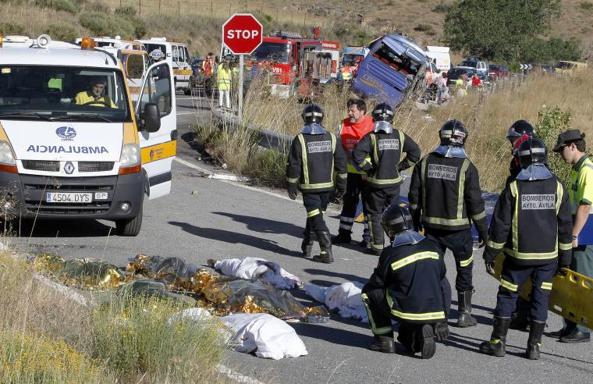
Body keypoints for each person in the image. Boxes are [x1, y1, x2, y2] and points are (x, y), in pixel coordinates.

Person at [480, 138, 572, 359]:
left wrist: (490, 253)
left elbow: (500, 226)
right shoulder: (557, 186)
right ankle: (534, 347)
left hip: (517, 258)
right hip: (548, 259)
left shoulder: (513, 186)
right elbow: (565, 226)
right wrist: (565, 260)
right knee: (540, 298)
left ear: (521, 160)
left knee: (507, 296)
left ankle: (498, 342)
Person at [408, 119, 488, 327]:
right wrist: (484, 232)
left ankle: (434, 311)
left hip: (432, 229)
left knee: (434, 270)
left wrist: (415, 221)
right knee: (464, 269)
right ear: (463, 139)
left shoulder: (425, 162)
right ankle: (464, 313)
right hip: (459, 231)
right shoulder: (467, 167)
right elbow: (476, 204)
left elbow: (414, 198)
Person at [361, 204, 451, 359]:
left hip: (406, 309)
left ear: (390, 229)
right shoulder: (433, 245)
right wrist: (443, 319)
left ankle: (384, 340)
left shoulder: (391, 252)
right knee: (442, 281)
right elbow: (443, 282)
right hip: (435, 310)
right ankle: (423, 329)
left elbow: (377, 283)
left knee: (368, 293)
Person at [352, 103, 421, 255]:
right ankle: (396, 245)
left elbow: (357, 155)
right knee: (394, 215)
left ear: (374, 118)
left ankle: (377, 246)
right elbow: (415, 152)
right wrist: (401, 166)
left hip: (375, 184)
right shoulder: (400, 135)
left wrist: (369, 168)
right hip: (394, 184)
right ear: (392, 118)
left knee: (374, 215)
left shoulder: (371, 137)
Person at [286, 104, 347, 264]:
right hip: (327, 188)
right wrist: (342, 186)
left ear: (304, 118)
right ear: (321, 118)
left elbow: (293, 166)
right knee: (315, 216)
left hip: (310, 189)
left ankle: (326, 250)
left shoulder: (300, 139)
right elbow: (342, 164)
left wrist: (291, 186)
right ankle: (307, 246)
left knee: (317, 218)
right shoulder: (332, 138)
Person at [551, 129, 593, 343]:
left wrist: (574, 234)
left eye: (561, 150)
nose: (560, 154)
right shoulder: (577, 169)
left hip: (585, 231)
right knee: (570, 277)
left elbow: (585, 206)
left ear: (573, 147)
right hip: (576, 228)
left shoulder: (587, 169)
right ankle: (569, 325)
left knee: (581, 280)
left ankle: (583, 329)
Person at [504, 119, 536, 331]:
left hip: (522, 220)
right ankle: (524, 315)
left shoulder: (523, 156)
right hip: (536, 224)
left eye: (513, 139)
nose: (512, 144)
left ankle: (519, 314)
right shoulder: (535, 154)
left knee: (519, 272)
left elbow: (515, 183)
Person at [333, 98, 374, 248]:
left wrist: (369, 170)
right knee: (349, 203)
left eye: (353, 110)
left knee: (369, 205)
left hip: (368, 173)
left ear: (362, 111)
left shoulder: (372, 124)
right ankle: (344, 234)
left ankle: (369, 238)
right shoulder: (343, 125)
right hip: (350, 172)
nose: (349, 113)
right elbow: (338, 146)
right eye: (348, 110)